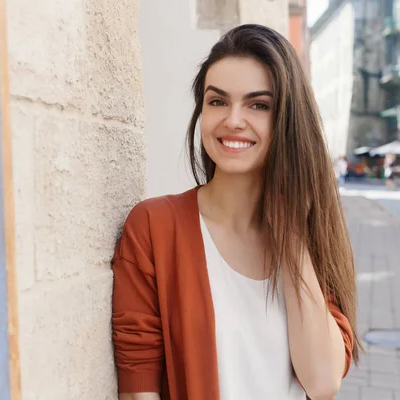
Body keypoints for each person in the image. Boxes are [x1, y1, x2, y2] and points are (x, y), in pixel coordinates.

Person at [111, 25, 359, 400]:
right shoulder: (154, 228)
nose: (233, 120)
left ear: (287, 121)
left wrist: (290, 230)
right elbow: (138, 387)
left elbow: (322, 382)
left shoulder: (310, 234)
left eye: (258, 104)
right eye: (218, 101)